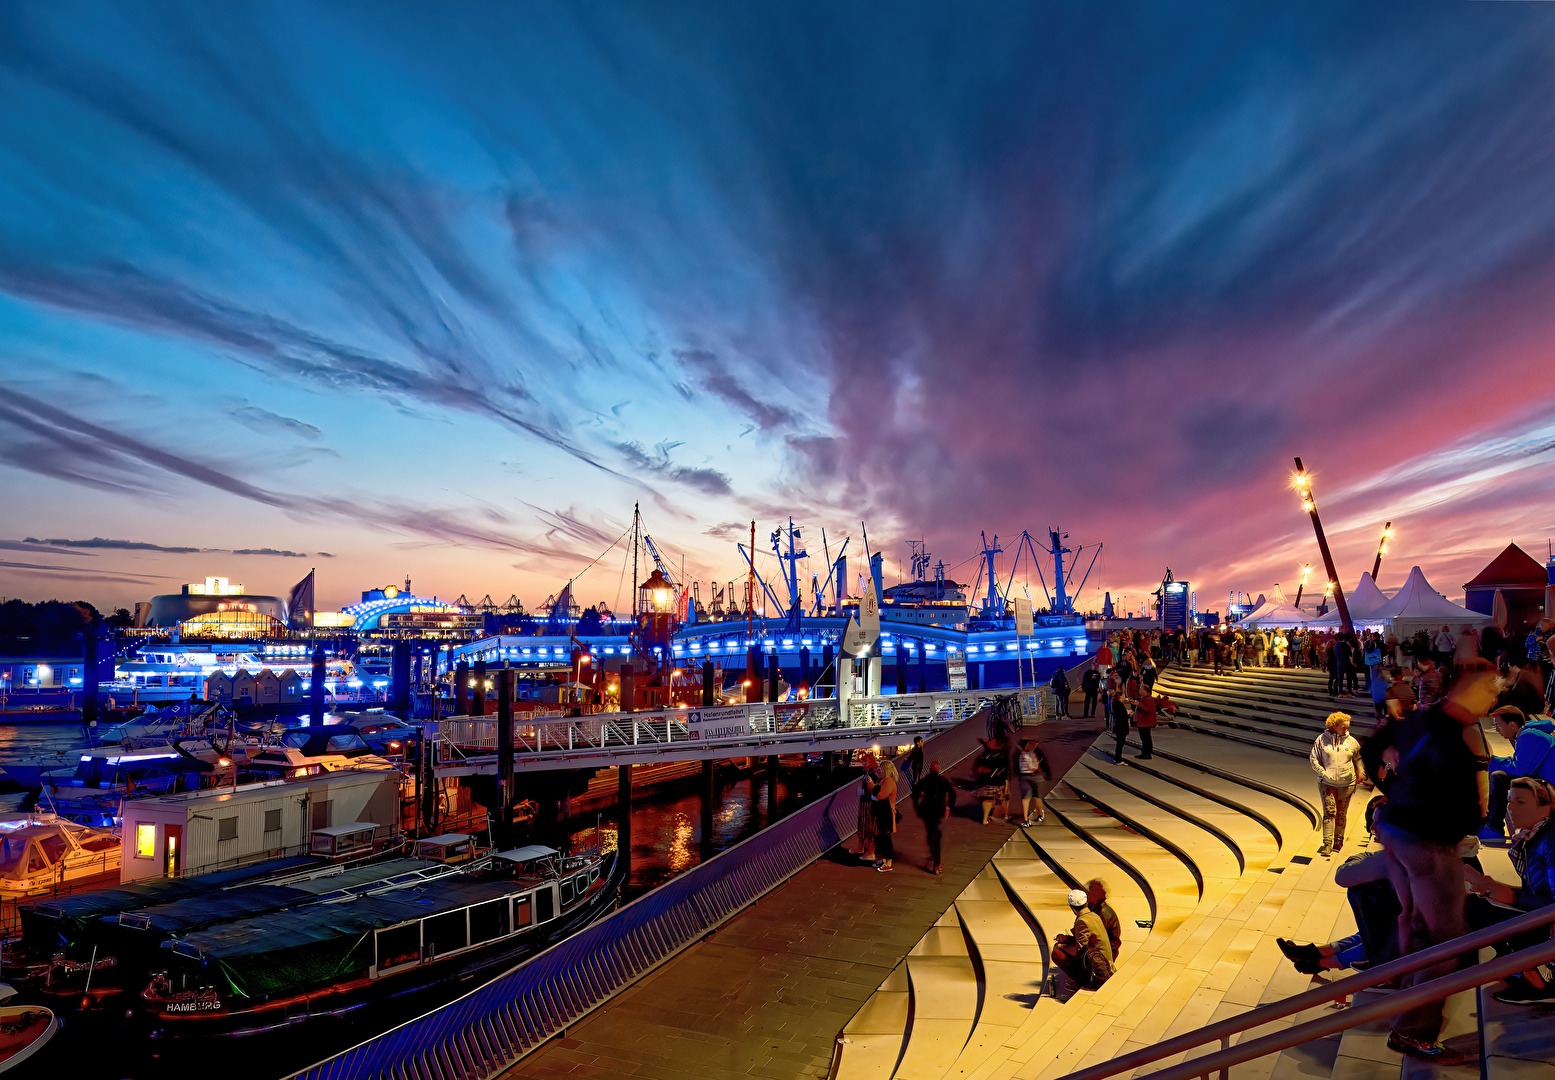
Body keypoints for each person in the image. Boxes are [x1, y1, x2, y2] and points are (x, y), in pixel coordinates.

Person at [1376, 660, 1499, 1064]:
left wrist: (1395, 789)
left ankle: (1406, 993)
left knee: (1421, 925)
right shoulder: (1450, 726)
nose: (1495, 697)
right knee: (1450, 941)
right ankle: (1413, 1031)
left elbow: (1379, 742)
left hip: (1407, 830)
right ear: (1467, 687)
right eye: (1488, 688)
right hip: (1427, 839)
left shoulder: (1435, 719)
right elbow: (1378, 745)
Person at [1463, 776, 1555, 1004]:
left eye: (1521, 802)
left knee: (1478, 911)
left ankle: (1539, 985)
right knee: (1476, 906)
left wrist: (1513, 897)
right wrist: (1488, 884)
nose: (1511, 808)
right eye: (1509, 801)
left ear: (1547, 807)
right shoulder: (1533, 836)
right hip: (1540, 915)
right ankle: (1516, 964)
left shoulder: (1550, 841)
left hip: (1547, 923)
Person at [1482, 707, 1555, 844]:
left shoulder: (1529, 736)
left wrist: (1493, 762)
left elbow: (1519, 770)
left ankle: (1494, 828)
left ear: (1512, 725)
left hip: (1551, 784)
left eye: (1498, 725)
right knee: (1500, 773)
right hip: (1547, 779)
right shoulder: (1528, 733)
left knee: (1498, 777)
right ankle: (1491, 823)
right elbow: (1520, 762)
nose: (1497, 730)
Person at [1311, 711, 1366, 857]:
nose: (1346, 730)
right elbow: (1314, 759)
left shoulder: (1352, 742)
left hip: (1347, 784)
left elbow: (1358, 758)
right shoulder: (1321, 740)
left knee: (1342, 812)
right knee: (1329, 812)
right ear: (1334, 726)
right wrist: (1323, 773)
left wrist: (1361, 772)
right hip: (1326, 783)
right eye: (1344, 727)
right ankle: (1327, 843)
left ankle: (1338, 841)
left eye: (1348, 727)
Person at [1051, 888, 1115, 998]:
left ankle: (1081, 980)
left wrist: (1062, 946)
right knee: (1061, 947)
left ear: (1072, 907)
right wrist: (1065, 938)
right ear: (1085, 903)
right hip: (1102, 960)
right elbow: (1083, 940)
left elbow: (1078, 948)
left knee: (1057, 953)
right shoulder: (1093, 916)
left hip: (1099, 966)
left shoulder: (1082, 921)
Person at [912, 759, 956, 875]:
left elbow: (915, 793)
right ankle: (936, 864)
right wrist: (948, 806)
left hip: (927, 810)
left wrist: (917, 805)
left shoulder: (924, 781)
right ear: (939, 769)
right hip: (938, 810)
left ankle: (933, 853)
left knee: (931, 832)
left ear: (930, 769)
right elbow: (952, 794)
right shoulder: (943, 781)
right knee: (936, 836)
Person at [1132, 684, 1176, 760]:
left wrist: (1138, 704)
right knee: (1144, 738)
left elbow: (1147, 709)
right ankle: (1144, 753)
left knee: (1146, 739)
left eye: (1140, 690)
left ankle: (1147, 754)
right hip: (1143, 722)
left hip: (1145, 722)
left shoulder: (1149, 699)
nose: (1139, 691)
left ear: (1145, 691)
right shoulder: (1144, 698)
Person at [871, 753, 898, 872]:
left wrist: (872, 785)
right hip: (882, 814)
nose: (879, 771)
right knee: (881, 838)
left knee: (886, 838)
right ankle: (883, 860)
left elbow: (880, 795)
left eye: (880, 769)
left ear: (885, 770)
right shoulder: (883, 780)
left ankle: (888, 862)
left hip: (886, 814)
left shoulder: (888, 781)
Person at [1086, 878, 1123, 964]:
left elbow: (1096, 936)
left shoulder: (1103, 913)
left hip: (1106, 953)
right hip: (1105, 948)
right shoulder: (1097, 907)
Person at [975, 734, 1010, 825]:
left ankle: (985, 818)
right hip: (998, 782)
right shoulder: (1002, 756)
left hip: (986, 782)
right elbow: (1005, 770)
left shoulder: (984, 756)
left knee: (987, 800)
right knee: (1000, 799)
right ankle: (1002, 815)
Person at [1015, 737, 1050, 825]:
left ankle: (1039, 814)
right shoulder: (1022, 753)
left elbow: (1043, 761)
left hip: (1033, 777)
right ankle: (1026, 819)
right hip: (1028, 777)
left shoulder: (1035, 752)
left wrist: (1046, 772)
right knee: (1027, 797)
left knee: (1035, 797)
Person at [854, 752, 879, 862]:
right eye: (863, 761)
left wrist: (862, 792)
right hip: (865, 804)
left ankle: (870, 852)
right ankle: (862, 848)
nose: (863, 763)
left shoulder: (871, 775)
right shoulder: (869, 774)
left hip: (868, 805)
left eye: (865, 761)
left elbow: (872, 791)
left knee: (869, 827)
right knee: (863, 826)